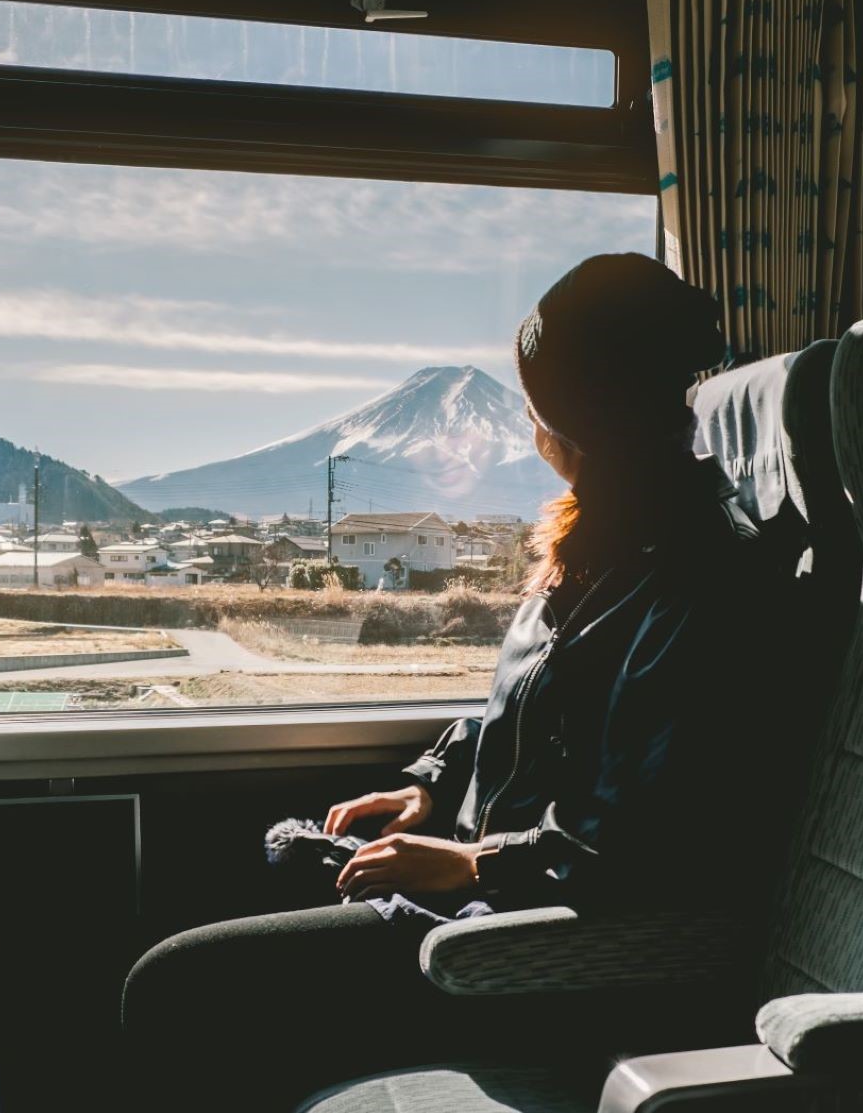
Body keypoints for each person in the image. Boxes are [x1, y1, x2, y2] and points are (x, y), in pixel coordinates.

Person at [121, 253, 782, 1109]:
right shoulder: (599, 548)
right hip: (491, 894)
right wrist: (430, 785)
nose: (530, 424)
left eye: (539, 405)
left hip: (531, 946)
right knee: (210, 886)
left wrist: (470, 863)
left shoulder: (698, 579)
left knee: (176, 987)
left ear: (579, 421)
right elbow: (540, 718)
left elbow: (637, 835)